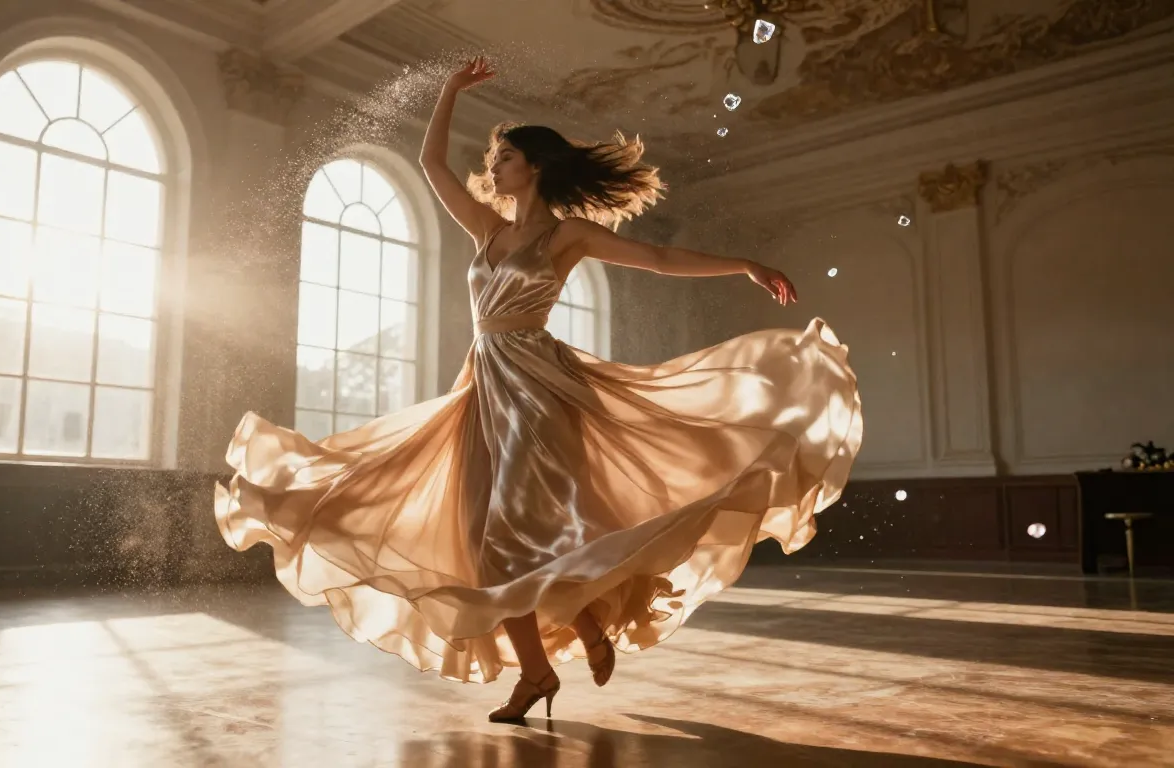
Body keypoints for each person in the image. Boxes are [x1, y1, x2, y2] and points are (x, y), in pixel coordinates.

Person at [215, 57, 862, 723]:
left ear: (534, 167)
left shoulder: (566, 236)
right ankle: (576, 633)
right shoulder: (487, 230)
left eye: (504, 158)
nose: (492, 169)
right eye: (494, 159)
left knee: (507, 540)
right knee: (477, 537)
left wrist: (744, 266)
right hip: (483, 387)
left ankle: (536, 672)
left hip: (538, 390)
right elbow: (432, 165)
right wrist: (447, 92)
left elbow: (660, 259)